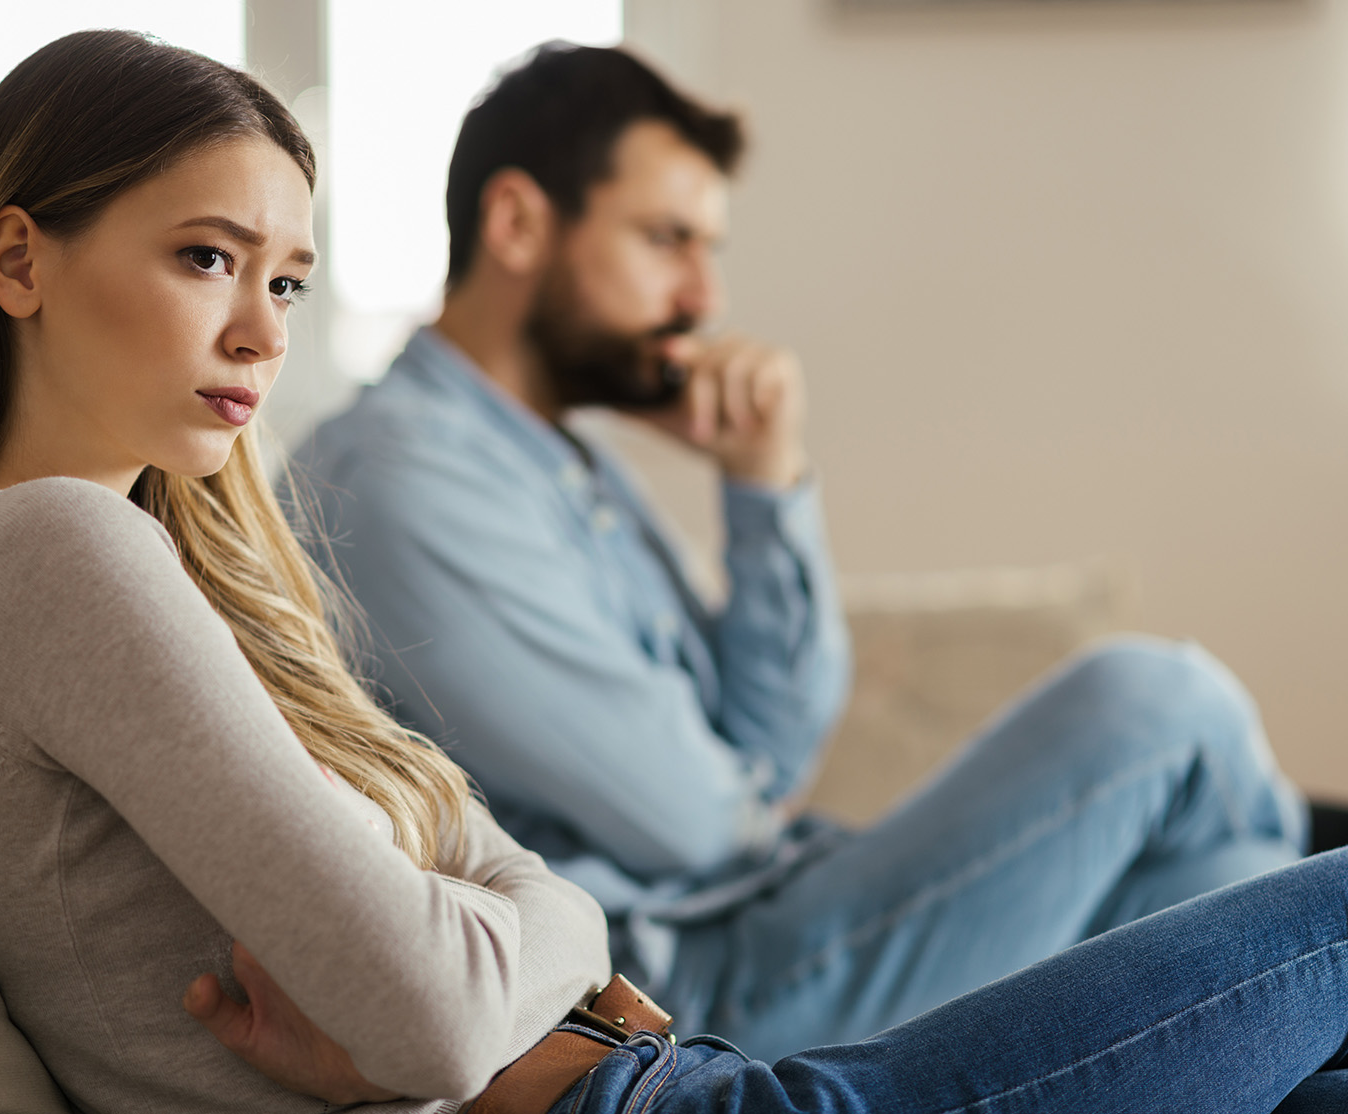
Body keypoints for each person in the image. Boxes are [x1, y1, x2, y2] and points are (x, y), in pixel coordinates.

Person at [0, 26, 1348, 1114]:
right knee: (1202, 747)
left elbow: (519, 911)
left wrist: (515, 939)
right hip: (650, 1085)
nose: (267, 335)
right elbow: (435, 993)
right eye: (207, 258)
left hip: (650, 1065)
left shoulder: (99, 557)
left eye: (287, 279)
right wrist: (533, 940)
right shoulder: (54, 549)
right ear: (18, 263)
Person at [300, 41, 1318, 1057]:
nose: (704, 297)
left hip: (779, 914)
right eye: (666, 240)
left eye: (709, 249)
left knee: (1221, 889)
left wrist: (760, 480)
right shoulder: (394, 479)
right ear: (518, 224)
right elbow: (700, 826)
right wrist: (756, 792)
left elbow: (779, 745)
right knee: (1157, 700)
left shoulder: (567, 461)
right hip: (689, 984)